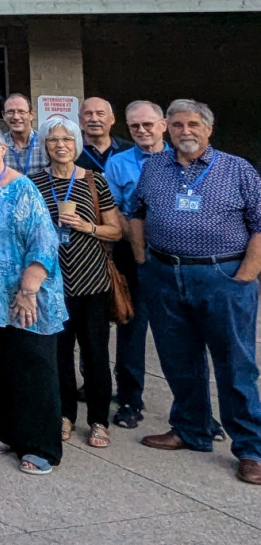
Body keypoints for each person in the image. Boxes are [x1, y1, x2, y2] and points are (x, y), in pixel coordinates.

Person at [127, 99, 261, 483]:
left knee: (235, 365)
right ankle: (192, 429)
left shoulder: (237, 169)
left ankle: (251, 448)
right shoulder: (154, 167)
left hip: (222, 277)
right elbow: (136, 212)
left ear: (208, 129)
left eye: (192, 125)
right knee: (178, 360)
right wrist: (142, 259)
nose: (184, 131)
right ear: (166, 129)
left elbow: (260, 223)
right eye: (177, 125)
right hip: (165, 274)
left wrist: (247, 275)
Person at [0, 121, 65, 475]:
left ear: (3, 149)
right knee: (0, 369)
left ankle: (43, 446)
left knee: (33, 371)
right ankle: (8, 431)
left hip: (23, 299)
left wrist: (28, 290)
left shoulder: (22, 188)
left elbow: (44, 240)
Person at [31, 114, 123, 448]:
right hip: (51, 282)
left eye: (67, 140)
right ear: (45, 146)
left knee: (96, 353)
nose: (60, 146)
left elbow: (116, 229)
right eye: (53, 140)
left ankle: (99, 420)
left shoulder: (93, 181)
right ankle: (64, 414)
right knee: (59, 354)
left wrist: (88, 227)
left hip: (92, 281)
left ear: (76, 144)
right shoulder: (34, 182)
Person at [105, 99, 166, 429]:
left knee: (184, 332)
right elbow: (115, 210)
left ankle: (196, 409)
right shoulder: (119, 163)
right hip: (132, 254)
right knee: (132, 328)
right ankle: (130, 399)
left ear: (163, 125)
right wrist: (138, 248)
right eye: (135, 127)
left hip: (177, 258)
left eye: (148, 124)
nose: (142, 130)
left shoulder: (180, 160)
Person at [2, 94, 44, 177]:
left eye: (21, 112)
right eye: (10, 112)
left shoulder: (45, 143)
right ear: (4, 115)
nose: (16, 117)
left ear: (31, 115)